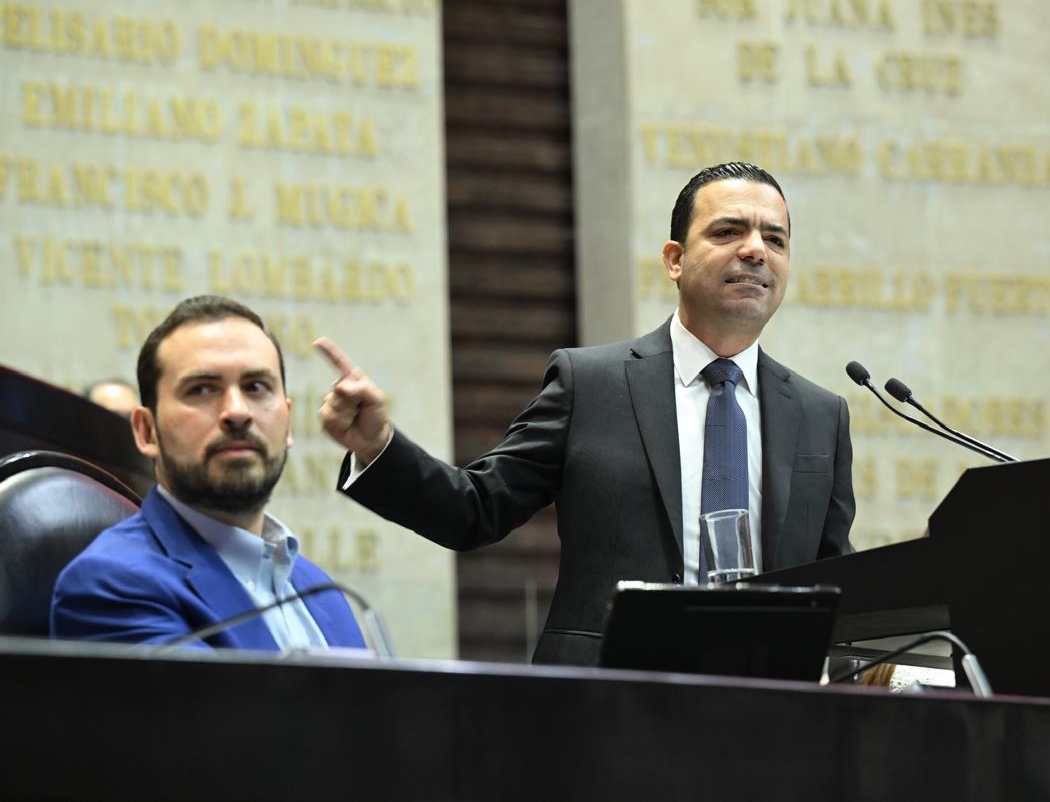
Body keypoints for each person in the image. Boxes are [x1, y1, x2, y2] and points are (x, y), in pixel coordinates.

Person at [317, 161, 854, 665]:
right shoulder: (591, 386)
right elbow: (474, 509)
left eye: (775, 240)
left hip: (771, 704)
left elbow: (842, 587)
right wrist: (377, 446)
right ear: (675, 259)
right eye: (728, 232)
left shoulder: (820, 416)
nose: (755, 250)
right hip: (606, 695)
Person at [52, 296, 366, 652]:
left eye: (256, 387)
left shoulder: (321, 590)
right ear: (147, 431)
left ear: (288, 422)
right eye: (201, 389)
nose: (237, 412)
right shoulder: (111, 586)